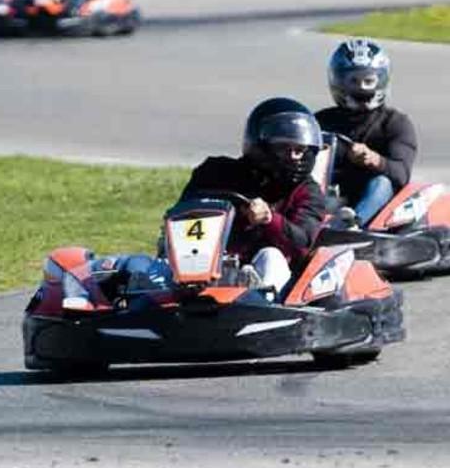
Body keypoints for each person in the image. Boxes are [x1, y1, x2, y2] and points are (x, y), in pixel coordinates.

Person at [177, 97, 328, 298]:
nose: (293, 157)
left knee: (271, 257)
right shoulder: (215, 172)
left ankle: (263, 306)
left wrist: (269, 219)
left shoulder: (308, 191)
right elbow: (180, 216)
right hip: (202, 265)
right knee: (136, 264)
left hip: (259, 274)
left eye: (299, 151)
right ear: (260, 145)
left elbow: (302, 244)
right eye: (284, 148)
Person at [315, 39, 418, 227]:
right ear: (338, 81)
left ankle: (352, 225)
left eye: (368, 81)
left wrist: (374, 159)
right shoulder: (321, 122)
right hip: (328, 196)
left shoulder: (395, 123)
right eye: (354, 81)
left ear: (381, 80)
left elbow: (402, 173)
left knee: (382, 183)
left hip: (374, 200)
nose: (362, 88)